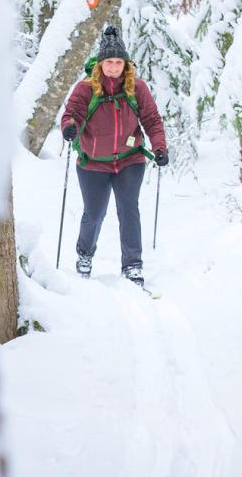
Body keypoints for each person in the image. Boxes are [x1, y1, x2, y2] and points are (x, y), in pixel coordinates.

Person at [60, 26, 168, 287]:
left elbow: (152, 119)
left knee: (128, 209)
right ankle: (84, 255)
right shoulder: (86, 88)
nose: (113, 67)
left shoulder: (136, 88)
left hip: (130, 160)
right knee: (94, 213)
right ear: (100, 63)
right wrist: (70, 127)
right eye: (109, 62)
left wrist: (159, 147)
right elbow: (70, 114)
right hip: (93, 163)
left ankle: (132, 265)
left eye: (118, 62)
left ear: (126, 64)